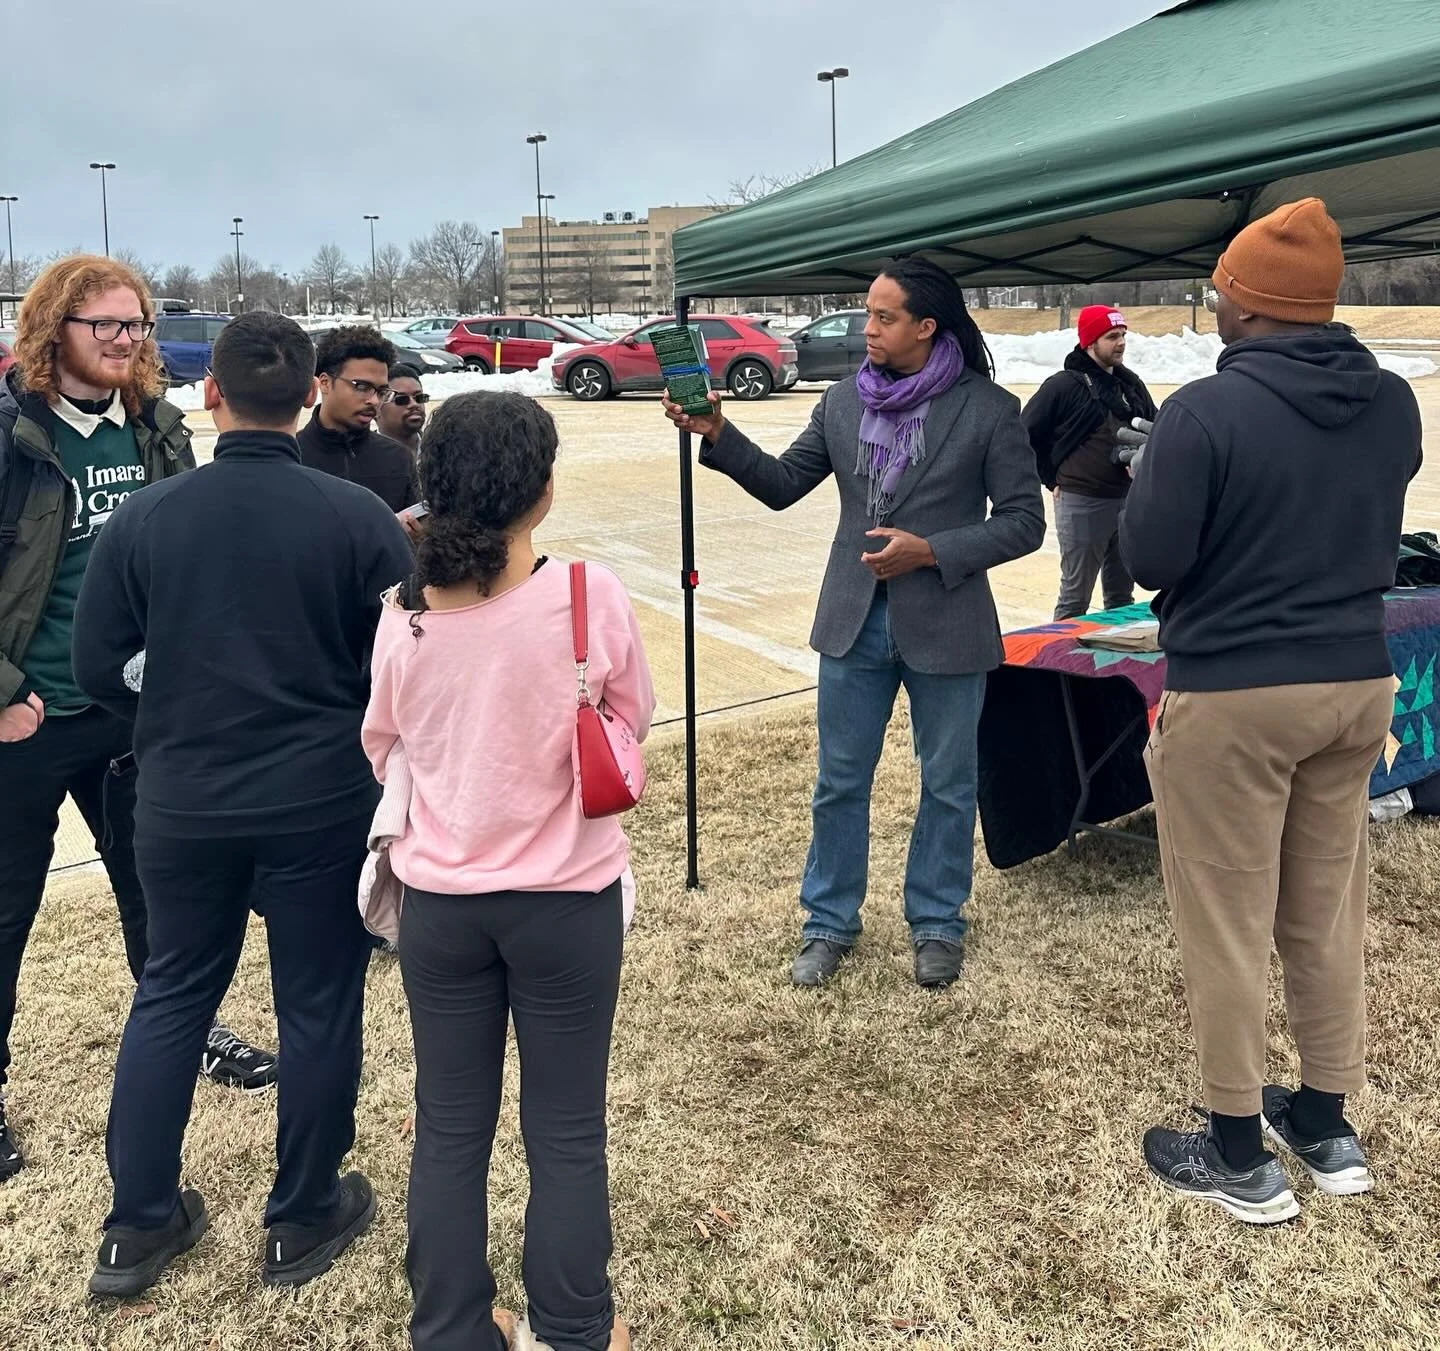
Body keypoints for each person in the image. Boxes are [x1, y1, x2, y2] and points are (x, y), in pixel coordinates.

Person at [72, 311, 414, 1295]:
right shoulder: (356, 519)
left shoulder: (145, 518)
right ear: (308, 395)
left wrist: (174, 704)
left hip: (182, 801)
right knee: (318, 1001)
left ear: (210, 392)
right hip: (319, 801)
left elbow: (97, 666)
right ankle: (302, 1215)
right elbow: (403, 665)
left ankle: (138, 1224)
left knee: (172, 991)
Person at [1121, 198, 1422, 1224]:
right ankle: (1326, 1123)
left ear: (1246, 305)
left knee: (1227, 919)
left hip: (1238, 692)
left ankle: (1239, 1151)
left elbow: (1152, 555)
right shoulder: (1393, 402)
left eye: (1220, 293)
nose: (1214, 308)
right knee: (1325, 910)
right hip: (1356, 681)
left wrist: (1153, 479)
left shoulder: (1204, 412)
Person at [363, 391, 653, 1351]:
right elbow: (631, 718)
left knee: (450, 1125)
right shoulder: (588, 595)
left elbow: (383, 744)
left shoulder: (402, 613)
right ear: (540, 488)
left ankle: (449, 1327)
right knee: (566, 1127)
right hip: (566, 901)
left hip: (441, 905)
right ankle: (573, 1328)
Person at [664, 258, 1045, 990]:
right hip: (852, 622)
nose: (866, 328)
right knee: (839, 780)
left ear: (926, 327)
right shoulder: (841, 402)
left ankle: (937, 921)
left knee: (948, 782)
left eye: (883, 316)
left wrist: (931, 550)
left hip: (948, 619)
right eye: (867, 313)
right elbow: (782, 484)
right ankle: (828, 922)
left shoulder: (988, 408)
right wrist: (718, 431)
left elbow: (1025, 521)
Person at [0, 255, 275, 1185]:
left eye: (139, 324)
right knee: (7, 911)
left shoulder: (158, 429)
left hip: (133, 715)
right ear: (55, 331)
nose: (128, 340)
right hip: (28, 718)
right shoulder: (14, 437)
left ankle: (188, 1031)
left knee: (159, 891)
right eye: (107, 324)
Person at [1022, 305, 1157, 620]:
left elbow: (1157, 427)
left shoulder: (1131, 386)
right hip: (1082, 502)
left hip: (1127, 501)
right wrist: (1049, 478)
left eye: (1123, 335)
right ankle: (1061, 653)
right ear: (1089, 342)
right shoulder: (1064, 386)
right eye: (1112, 337)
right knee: (1075, 597)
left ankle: (1117, 651)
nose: (1120, 343)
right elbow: (1023, 434)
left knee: (1121, 598)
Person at [297, 325, 420, 514]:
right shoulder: (292, 457)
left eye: (382, 391)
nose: (374, 400)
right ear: (325, 383)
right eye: (361, 387)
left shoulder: (398, 459)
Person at [376, 362, 429, 462]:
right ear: (377, 408)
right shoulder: (360, 456)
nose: (414, 404)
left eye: (419, 397)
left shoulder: (442, 450)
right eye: (402, 399)